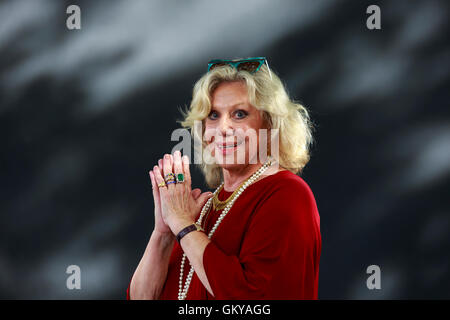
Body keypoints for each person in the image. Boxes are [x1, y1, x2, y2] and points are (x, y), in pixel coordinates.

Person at [127, 57, 321, 300]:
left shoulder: (288, 194)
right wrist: (164, 232)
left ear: (270, 125)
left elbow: (250, 299)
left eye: (239, 114)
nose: (223, 128)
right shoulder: (202, 210)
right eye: (213, 115)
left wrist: (183, 226)